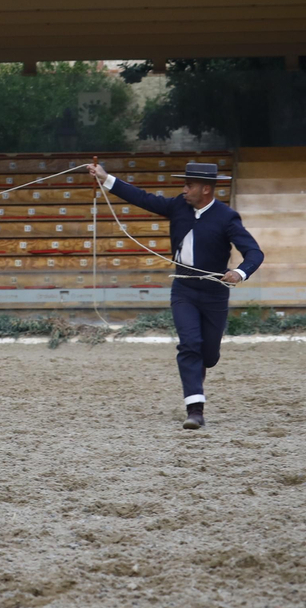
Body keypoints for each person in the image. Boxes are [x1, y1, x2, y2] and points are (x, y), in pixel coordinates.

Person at [86, 160, 265, 430]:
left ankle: (200, 372)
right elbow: (142, 198)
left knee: (208, 355)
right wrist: (105, 178)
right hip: (184, 289)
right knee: (189, 345)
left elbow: (254, 252)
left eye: (189, 185)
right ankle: (195, 410)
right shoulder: (177, 206)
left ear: (206, 189)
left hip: (215, 293)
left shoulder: (227, 217)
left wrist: (240, 272)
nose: (184, 190)